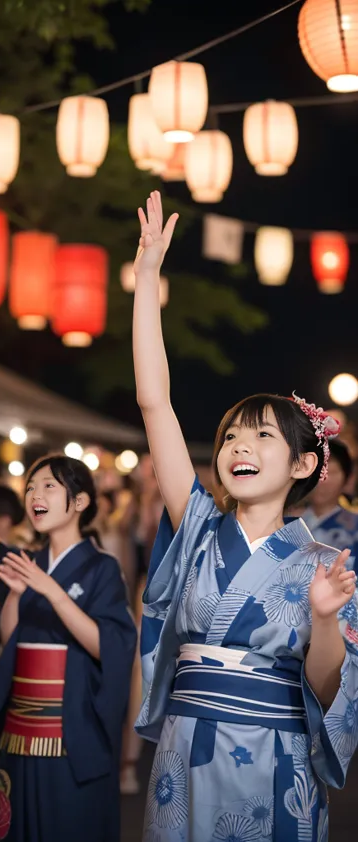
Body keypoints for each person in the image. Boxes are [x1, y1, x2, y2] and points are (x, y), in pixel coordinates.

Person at [132, 191, 358, 842]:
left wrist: (322, 619)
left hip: (274, 757)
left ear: (300, 466)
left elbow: (323, 688)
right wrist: (147, 279)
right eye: (231, 435)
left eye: (262, 437)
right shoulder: (198, 523)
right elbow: (155, 403)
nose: (238, 446)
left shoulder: (326, 566)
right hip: (187, 747)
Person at [0, 443, 137, 842]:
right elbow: (8, 635)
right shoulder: (28, 562)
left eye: (48, 486)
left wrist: (53, 593)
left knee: (66, 826)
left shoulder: (102, 568)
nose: (35, 496)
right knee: (19, 824)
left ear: (79, 501)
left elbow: (109, 646)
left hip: (71, 728)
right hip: (20, 726)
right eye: (30, 488)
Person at [301, 439, 358, 571]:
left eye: (331, 473)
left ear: (348, 479)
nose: (323, 481)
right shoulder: (287, 522)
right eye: (318, 473)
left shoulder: (354, 527)